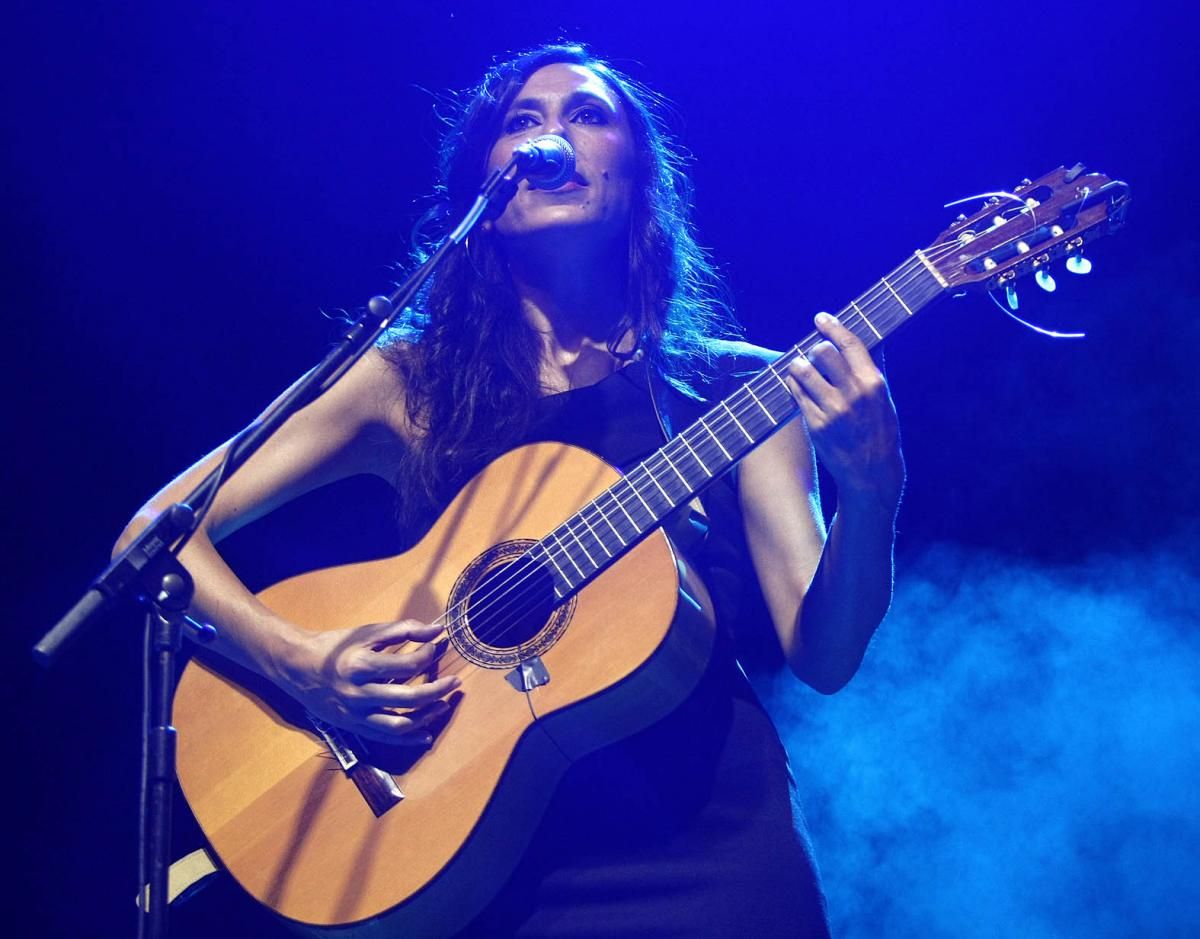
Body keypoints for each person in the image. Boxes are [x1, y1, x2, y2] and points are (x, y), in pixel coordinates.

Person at [117, 43, 904, 938]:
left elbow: (826, 653)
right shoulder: (403, 381)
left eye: (587, 116)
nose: (551, 137)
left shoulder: (738, 392)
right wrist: (303, 663)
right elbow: (157, 534)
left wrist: (872, 493)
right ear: (484, 197)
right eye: (520, 123)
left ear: (638, 177)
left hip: (714, 855)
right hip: (474, 862)